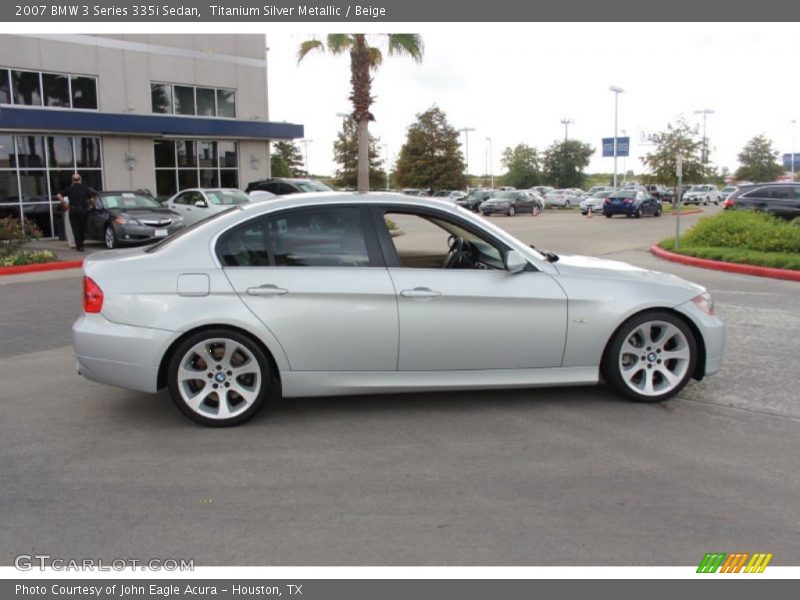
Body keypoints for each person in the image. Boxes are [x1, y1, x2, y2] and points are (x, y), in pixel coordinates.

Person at [56, 173, 96, 252]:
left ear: (72, 180)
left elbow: (58, 195)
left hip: (73, 210)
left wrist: (64, 203)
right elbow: (92, 199)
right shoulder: (85, 188)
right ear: (80, 179)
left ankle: (79, 245)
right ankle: (80, 244)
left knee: (75, 229)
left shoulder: (69, 188)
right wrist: (91, 204)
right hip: (83, 211)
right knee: (82, 228)